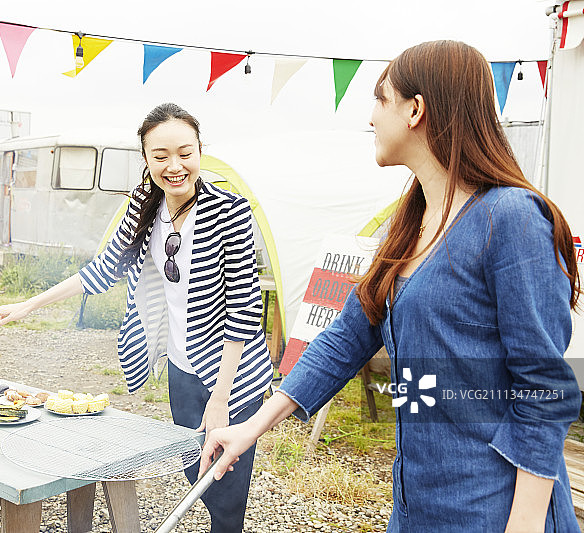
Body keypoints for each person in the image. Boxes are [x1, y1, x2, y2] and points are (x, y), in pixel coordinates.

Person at [199, 40, 582, 532]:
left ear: (416, 109)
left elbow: (544, 387)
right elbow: (346, 338)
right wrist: (248, 430)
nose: (371, 117)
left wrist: (524, 526)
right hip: (416, 502)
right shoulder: (411, 222)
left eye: (381, 99)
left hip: (492, 508)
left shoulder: (511, 219)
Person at [0, 102, 273, 532]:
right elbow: (103, 269)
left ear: (200, 151)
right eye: (161, 156)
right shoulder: (143, 206)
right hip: (182, 365)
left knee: (224, 485)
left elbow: (245, 311)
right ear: (146, 158)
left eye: (185, 152)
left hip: (232, 374)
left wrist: (221, 397)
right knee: (194, 469)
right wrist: (28, 305)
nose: (175, 166)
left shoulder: (231, 211)